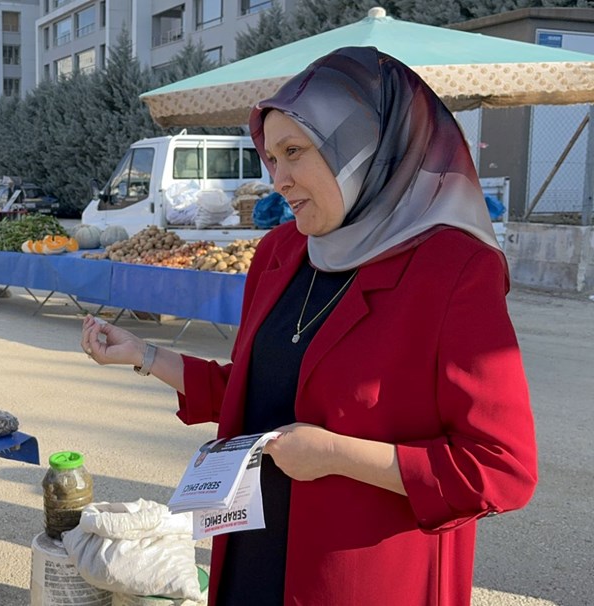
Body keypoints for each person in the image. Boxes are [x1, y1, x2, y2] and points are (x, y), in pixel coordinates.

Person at [80, 47, 537, 605]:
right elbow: (254, 392)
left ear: (362, 148)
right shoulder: (281, 251)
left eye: (294, 152)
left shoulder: (454, 268)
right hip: (252, 549)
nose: (279, 179)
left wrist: (337, 455)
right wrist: (143, 355)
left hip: (362, 575)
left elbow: (500, 469)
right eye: (272, 158)